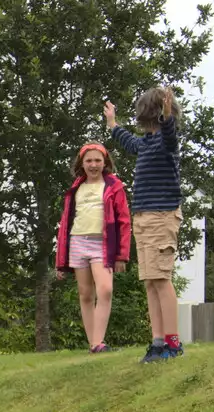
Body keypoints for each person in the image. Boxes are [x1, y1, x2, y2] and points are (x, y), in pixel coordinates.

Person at [106, 86, 184, 363]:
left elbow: (170, 134)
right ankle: (158, 342)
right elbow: (129, 142)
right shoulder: (147, 143)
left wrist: (166, 114)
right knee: (151, 282)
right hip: (144, 218)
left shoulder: (165, 140)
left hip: (162, 216)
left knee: (161, 279)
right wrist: (113, 124)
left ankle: (173, 344)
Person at [54, 142, 130, 352]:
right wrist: (60, 262)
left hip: (102, 244)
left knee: (105, 290)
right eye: (89, 161)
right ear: (82, 163)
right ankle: (94, 343)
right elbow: (65, 224)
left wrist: (121, 255)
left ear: (105, 162)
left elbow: (124, 221)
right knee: (86, 294)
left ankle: (99, 342)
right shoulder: (76, 188)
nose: (93, 164)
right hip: (78, 242)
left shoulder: (114, 186)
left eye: (97, 160)